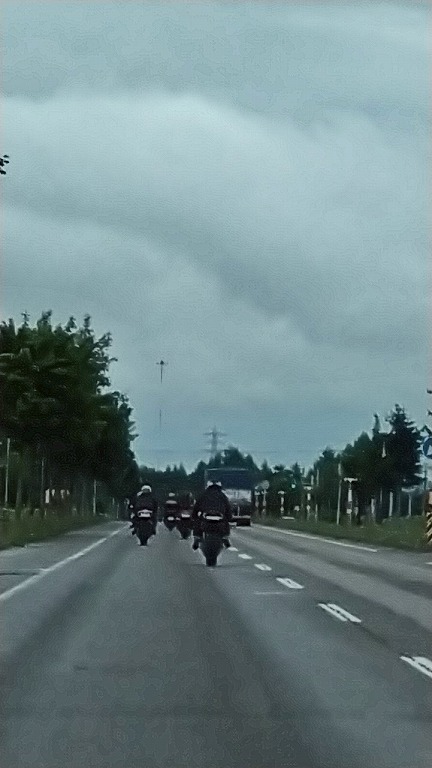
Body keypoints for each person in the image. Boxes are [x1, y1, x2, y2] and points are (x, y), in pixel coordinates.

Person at [191, 481, 232, 550]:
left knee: (198, 522)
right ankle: (225, 538)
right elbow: (228, 508)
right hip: (219, 516)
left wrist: (194, 516)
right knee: (225, 523)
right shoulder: (223, 496)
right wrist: (229, 517)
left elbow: (196, 507)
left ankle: (197, 538)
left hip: (206, 515)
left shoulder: (203, 495)